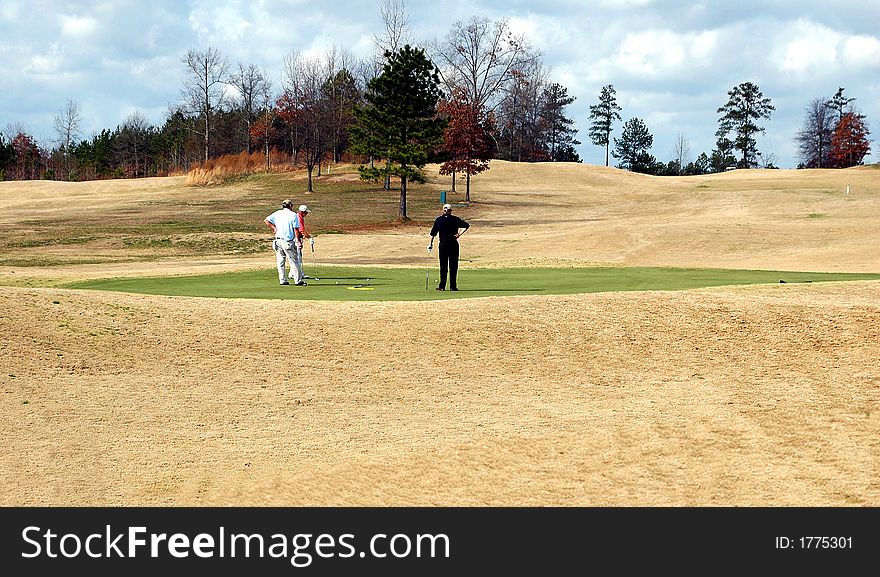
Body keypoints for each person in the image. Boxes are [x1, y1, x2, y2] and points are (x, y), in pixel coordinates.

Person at [428, 203, 470, 291]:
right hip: (453, 244)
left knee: (443, 266)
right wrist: (459, 234)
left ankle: (442, 286)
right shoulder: (455, 219)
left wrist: (430, 244)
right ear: (450, 211)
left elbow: (433, 234)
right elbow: (466, 226)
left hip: (443, 245)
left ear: (443, 210)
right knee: (453, 266)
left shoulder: (439, 220)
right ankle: (453, 286)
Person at [264, 199, 305, 286]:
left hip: (278, 241)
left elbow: (266, 220)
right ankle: (298, 280)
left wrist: (274, 228)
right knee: (294, 261)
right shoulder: (293, 215)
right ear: (290, 206)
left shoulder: (277, 213)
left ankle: (282, 280)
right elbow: (296, 229)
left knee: (281, 261)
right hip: (287, 241)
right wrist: (298, 241)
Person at [294, 204, 312, 280]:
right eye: (306, 212)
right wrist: (309, 237)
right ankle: (300, 274)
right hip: (296, 238)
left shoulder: (299, 217)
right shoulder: (298, 217)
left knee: (296, 257)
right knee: (298, 257)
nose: (307, 214)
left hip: (296, 238)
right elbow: (301, 230)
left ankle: (293, 273)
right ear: (302, 212)